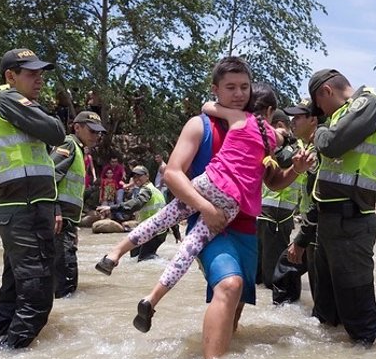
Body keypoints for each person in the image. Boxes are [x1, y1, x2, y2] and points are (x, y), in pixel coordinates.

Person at [95, 81, 293, 334]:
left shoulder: (238, 117)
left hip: (209, 182)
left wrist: (222, 104)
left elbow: (208, 106)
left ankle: (115, 253)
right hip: (232, 202)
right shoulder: (272, 139)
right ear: (270, 111)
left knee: (161, 219)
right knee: (187, 252)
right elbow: (275, 162)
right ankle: (152, 299)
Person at [0, 48, 65, 348]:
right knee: (37, 297)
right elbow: (56, 131)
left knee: (14, 288)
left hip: (21, 209)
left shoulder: (15, 108)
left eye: (40, 73)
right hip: (26, 210)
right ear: (10, 76)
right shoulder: (9, 99)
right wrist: (47, 114)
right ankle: (8, 358)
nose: (39, 80)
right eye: (31, 74)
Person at [308, 68, 376, 347]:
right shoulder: (339, 116)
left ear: (326, 92)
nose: (320, 112)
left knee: (360, 321)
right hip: (329, 222)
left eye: (319, 105)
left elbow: (332, 144)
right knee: (326, 313)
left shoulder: (368, 103)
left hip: (352, 221)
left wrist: (315, 130)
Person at [272, 99, 321, 305]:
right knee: (286, 267)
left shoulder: (318, 150)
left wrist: (302, 239)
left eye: (299, 117)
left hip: (317, 229)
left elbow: (320, 198)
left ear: (313, 120)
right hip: (311, 226)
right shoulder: (307, 147)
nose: (293, 122)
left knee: (323, 294)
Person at [51, 111, 105, 298]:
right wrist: (55, 209)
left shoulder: (79, 149)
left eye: (99, 133)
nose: (97, 136)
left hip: (67, 222)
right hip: (60, 219)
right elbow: (51, 177)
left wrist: (73, 227)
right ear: (77, 127)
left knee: (63, 273)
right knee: (66, 277)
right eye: (92, 131)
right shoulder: (69, 144)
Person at [256, 109, 301, 288]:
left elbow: (284, 160)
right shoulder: (273, 146)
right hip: (268, 213)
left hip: (275, 214)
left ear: (279, 125)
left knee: (265, 273)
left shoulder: (294, 147)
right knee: (262, 274)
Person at [97, 166, 167, 261]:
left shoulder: (147, 190)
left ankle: (164, 265)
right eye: (134, 177)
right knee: (134, 252)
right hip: (153, 229)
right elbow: (168, 211)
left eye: (139, 176)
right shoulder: (154, 190)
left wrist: (112, 208)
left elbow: (137, 203)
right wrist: (176, 232)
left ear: (147, 176)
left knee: (145, 258)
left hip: (155, 231)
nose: (136, 179)